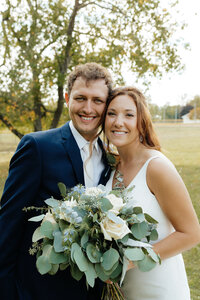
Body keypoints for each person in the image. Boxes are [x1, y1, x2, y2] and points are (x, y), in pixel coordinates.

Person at [0, 62, 113, 300]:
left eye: (98, 100)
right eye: (80, 98)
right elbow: (7, 223)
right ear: (67, 98)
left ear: (107, 104)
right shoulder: (37, 147)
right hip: (37, 290)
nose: (88, 108)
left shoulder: (111, 157)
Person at [103, 86, 200, 300]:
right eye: (112, 114)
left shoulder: (156, 167)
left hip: (160, 289)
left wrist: (127, 261)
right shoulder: (110, 168)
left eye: (129, 115)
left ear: (142, 121)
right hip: (125, 292)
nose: (118, 122)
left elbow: (191, 233)